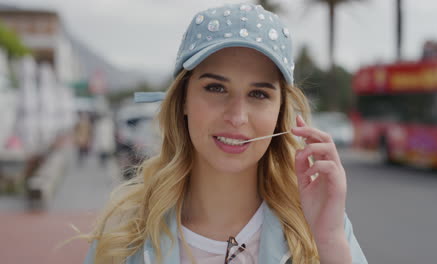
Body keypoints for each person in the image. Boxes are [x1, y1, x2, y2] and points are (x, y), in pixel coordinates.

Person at [84, 3, 368, 264]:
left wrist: (329, 242)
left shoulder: (323, 225)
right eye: (216, 88)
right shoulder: (123, 237)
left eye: (258, 93)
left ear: (281, 112)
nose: (237, 117)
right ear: (183, 99)